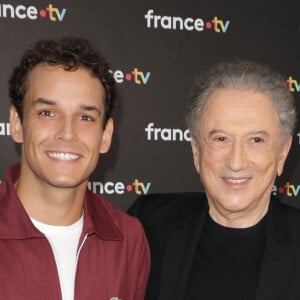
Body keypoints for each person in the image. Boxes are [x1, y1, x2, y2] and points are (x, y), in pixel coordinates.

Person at [128, 60, 300, 300]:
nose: (236, 162)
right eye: (221, 139)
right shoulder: (147, 225)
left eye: (256, 140)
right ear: (196, 151)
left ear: (282, 152)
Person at [0, 37, 150, 300]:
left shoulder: (129, 239)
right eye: (47, 113)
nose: (67, 133)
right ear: (16, 123)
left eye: (85, 117)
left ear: (105, 135)